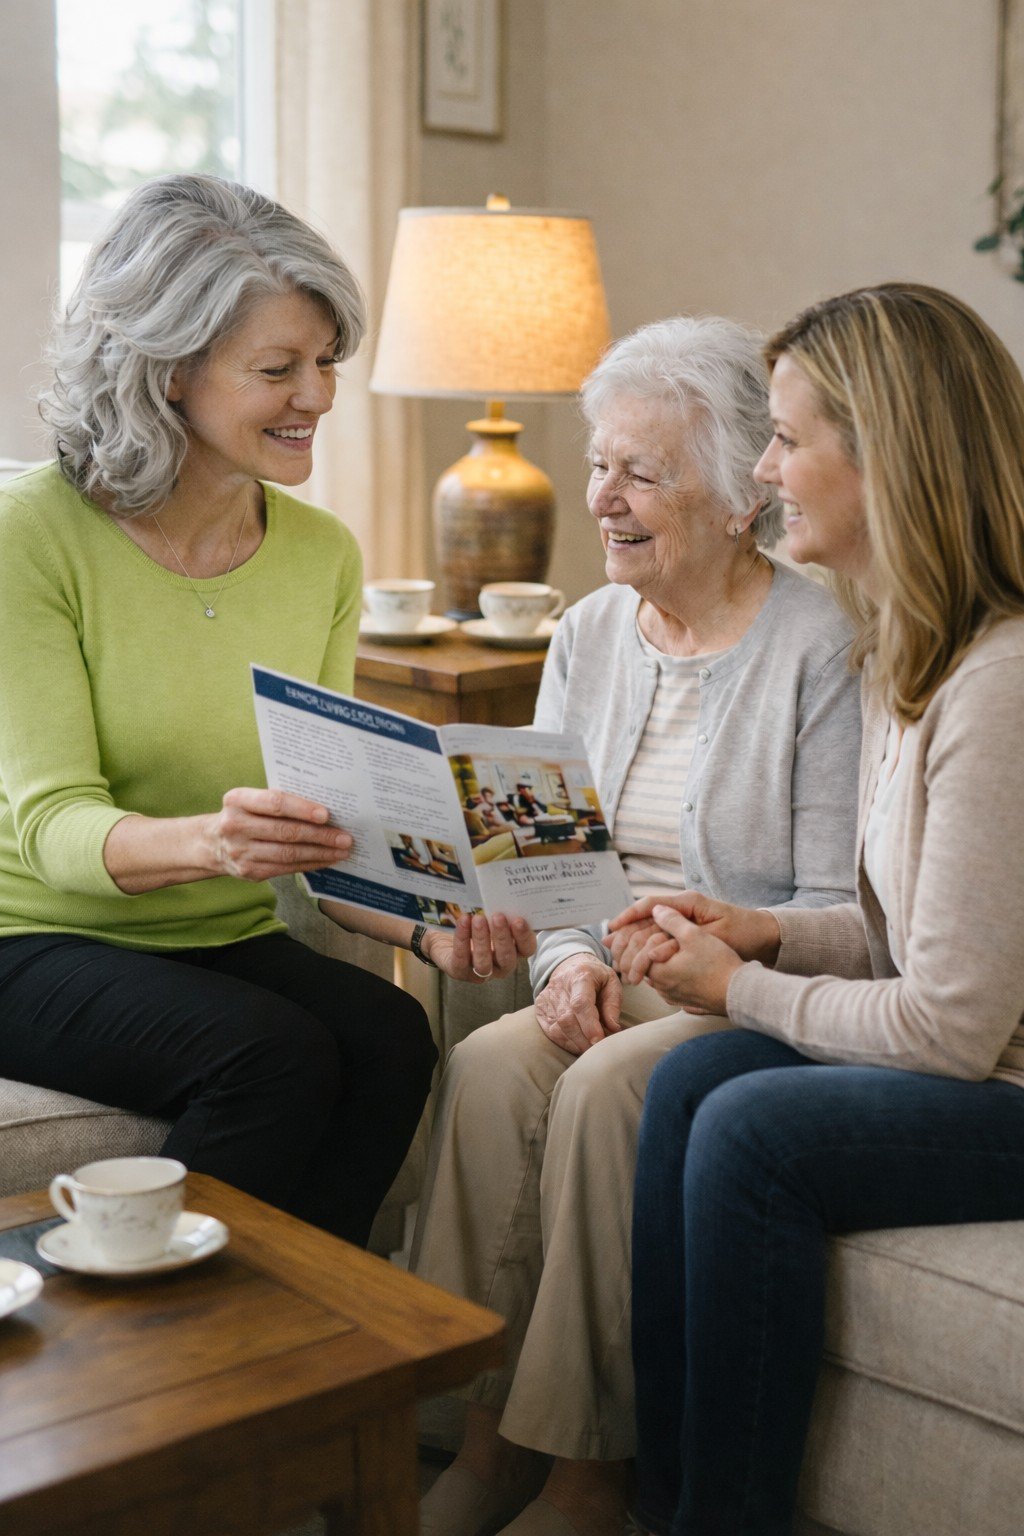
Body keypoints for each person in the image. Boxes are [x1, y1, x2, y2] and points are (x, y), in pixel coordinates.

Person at [0, 173, 533, 1250]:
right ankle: (139, 1355)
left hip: (212, 938)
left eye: (327, 361)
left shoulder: (318, 556)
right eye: (278, 369)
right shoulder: (29, 537)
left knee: (388, 1035)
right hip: (30, 939)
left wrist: (433, 927)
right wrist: (218, 839)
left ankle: (286, 1341)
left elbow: (325, 835)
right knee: (270, 1055)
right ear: (167, 374)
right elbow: (57, 832)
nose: (320, 397)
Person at [411, 314, 862, 1536]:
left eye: (640, 473)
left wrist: (725, 945)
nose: (600, 498)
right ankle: (475, 1436)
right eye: (598, 462)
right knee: (493, 1062)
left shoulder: (823, 646)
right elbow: (541, 859)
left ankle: (586, 1476)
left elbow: (846, 911)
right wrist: (560, 962)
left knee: (613, 1091)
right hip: (603, 963)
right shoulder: (590, 630)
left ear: (734, 499)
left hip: (731, 984)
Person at [613, 282, 1024, 1536]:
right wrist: (767, 932)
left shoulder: (1000, 683)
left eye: (788, 440)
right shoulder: (915, 650)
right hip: (985, 1060)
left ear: (884, 455)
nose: (766, 468)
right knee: (688, 1087)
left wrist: (740, 990)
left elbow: (952, 1025)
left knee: (751, 1133)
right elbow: (914, 943)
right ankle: (666, 1505)